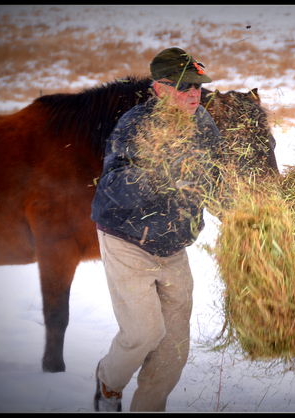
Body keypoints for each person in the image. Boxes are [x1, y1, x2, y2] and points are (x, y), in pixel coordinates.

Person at [90, 47, 222, 412]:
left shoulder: (203, 124)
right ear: (159, 88)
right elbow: (113, 184)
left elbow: (215, 178)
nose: (194, 93)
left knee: (173, 349)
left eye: (197, 86)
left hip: (173, 245)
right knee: (144, 333)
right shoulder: (137, 125)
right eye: (184, 87)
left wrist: (245, 213)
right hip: (127, 240)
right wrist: (158, 175)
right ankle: (108, 383)